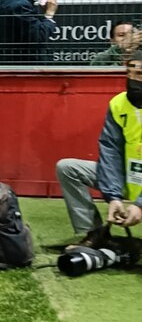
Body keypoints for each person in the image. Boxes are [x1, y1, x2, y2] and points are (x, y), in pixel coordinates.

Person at [56, 58, 142, 244]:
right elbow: (111, 150)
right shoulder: (118, 104)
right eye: (131, 73)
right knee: (68, 168)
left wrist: (140, 205)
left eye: (140, 75)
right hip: (129, 178)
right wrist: (113, 196)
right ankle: (93, 234)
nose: (134, 80)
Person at [0, 0, 58, 64]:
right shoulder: (20, 6)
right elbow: (39, 37)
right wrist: (49, 13)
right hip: (24, 64)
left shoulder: (1, 0)